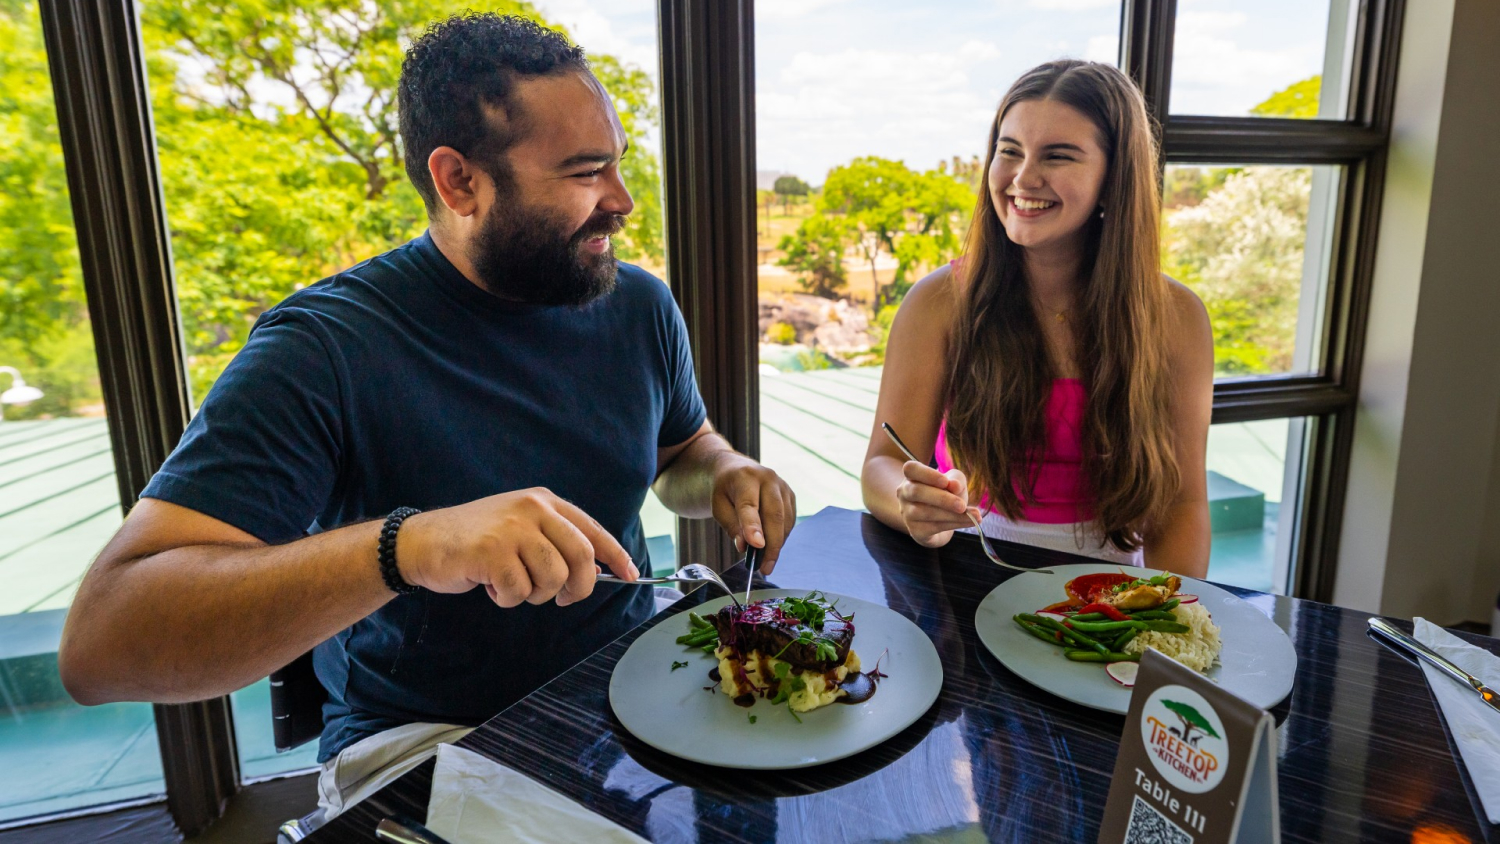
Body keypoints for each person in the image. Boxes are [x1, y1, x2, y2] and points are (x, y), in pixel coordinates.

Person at [56, 13, 796, 819]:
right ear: (459, 183)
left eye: (616, 166)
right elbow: (102, 648)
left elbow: (678, 451)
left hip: (626, 691)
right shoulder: (326, 346)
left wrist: (723, 469)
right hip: (426, 737)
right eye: (586, 173)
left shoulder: (637, 303)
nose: (619, 202)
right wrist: (409, 545)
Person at [861, 60, 1212, 577]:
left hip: (1112, 591)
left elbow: (1183, 504)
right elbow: (879, 468)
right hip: (964, 573)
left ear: (1115, 177)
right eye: (1009, 151)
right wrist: (911, 503)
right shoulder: (938, 301)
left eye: (1058, 155)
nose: (1023, 178)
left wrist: (1167, 621)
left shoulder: (1178, 316)